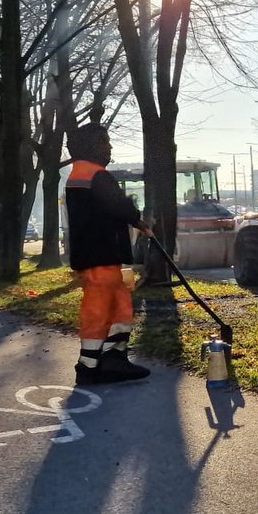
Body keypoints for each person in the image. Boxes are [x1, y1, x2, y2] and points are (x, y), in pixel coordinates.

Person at [64, 123, 151, 385]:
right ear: (93, 146)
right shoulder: (95, 175)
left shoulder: (78, 174)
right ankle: (95, 365)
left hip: (94, 256)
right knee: (103, 308)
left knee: (117, 305)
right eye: (106, 142)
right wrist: (139, 219)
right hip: (99, 254)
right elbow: (116, 204)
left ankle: (108, 359)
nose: (109, 147)